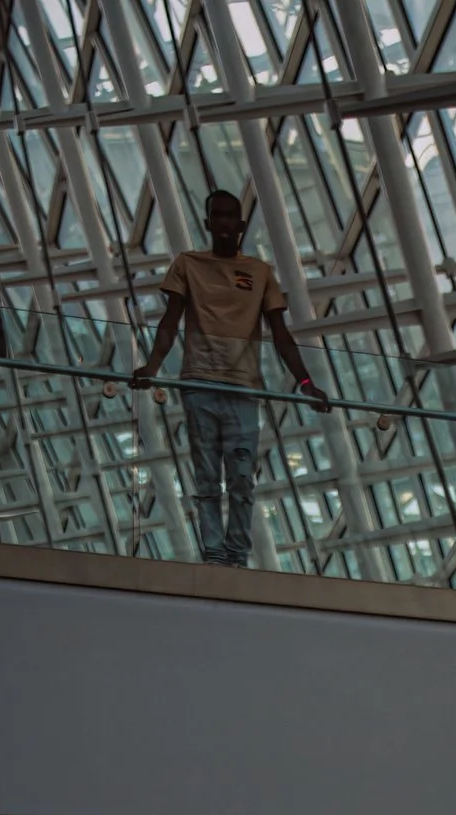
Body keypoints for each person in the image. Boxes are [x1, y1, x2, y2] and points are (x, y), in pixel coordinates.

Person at [133, 189, 325, 569]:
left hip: (243, 388)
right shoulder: (188, 265)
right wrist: (152, 368)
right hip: (199, 383)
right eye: (215, 216)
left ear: (240, 225)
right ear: (207, 223)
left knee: (240, 477)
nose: (222, 223)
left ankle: (236, 554)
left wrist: (305, 382)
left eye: (229, 217)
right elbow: (170, 321)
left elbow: (280, 333)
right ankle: (215, 554)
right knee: (207, 477)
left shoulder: (259, 272)